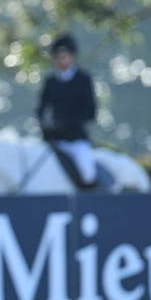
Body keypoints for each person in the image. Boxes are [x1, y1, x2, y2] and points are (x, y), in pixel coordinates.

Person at [36, 33, 98, 187]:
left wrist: (67, 123)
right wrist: (44, 125)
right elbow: (41, 109)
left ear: (72, 56)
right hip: (55, 140)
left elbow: (90, 112)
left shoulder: (83, 79)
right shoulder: (50, 81)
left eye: (65, 55)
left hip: (76, 139)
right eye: (58, 56)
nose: (61, 59)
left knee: (87, 172)